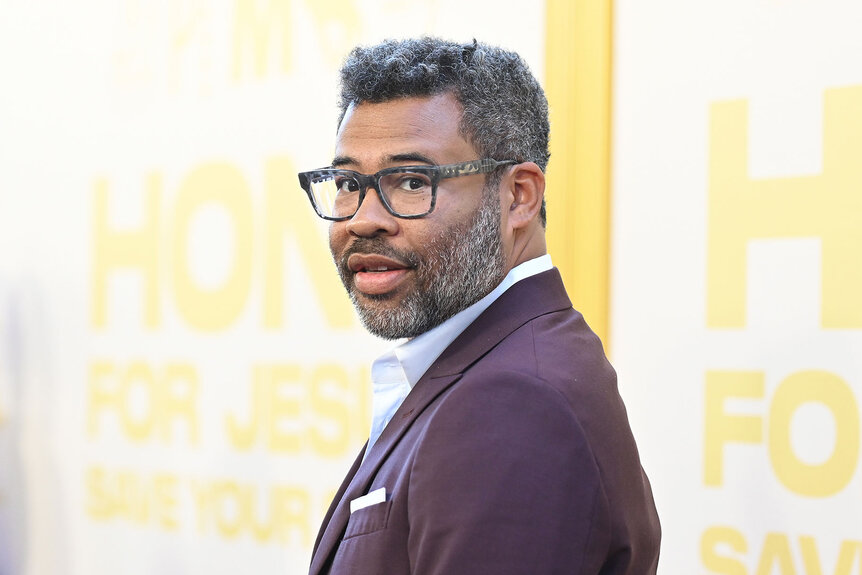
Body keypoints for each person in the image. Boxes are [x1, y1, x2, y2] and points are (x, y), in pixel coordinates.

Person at [298, 37, 660, 575]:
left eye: (413, 181)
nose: (362, 219)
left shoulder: (515, 404)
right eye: (350, 183)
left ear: (519, 196)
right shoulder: (493, 367)